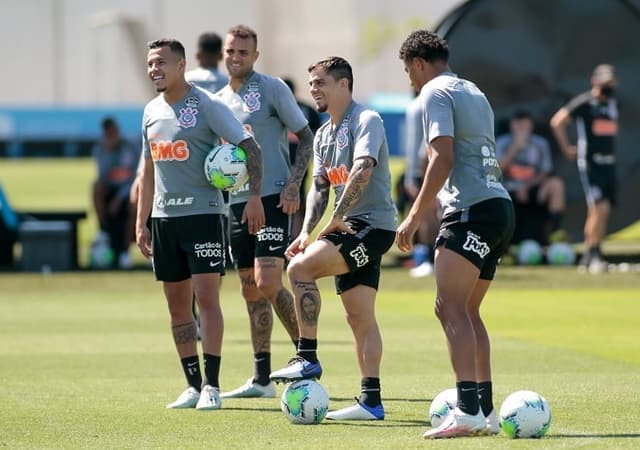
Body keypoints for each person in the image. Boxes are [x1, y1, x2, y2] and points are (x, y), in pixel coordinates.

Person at [396, 30, 515, 438]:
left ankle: (465, 411)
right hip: (499, 206)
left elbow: (442, 157)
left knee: (449, 307)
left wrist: (414, 215)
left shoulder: (432, 92)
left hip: (470, 209)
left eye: (408, 71)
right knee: (467, 311)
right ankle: (484, 411)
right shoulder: (474, 91)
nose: (410, 80)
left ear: (417, 63)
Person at [136, 38, 264, 411]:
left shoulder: (207, 105)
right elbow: (147, 169)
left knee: (206, 299)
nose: (154, 69)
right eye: (149, 64)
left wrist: (252, 194)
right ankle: (191, 385)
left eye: (160, 62)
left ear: (181, 65)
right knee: (178, 307)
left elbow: (248, 146)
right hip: (164, 220)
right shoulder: (150, 111)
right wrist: (141, 221)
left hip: (204, 216)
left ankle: (212, 385)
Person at [270, 56, 398, 422]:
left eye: (320, 83)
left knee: (299, 270)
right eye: (311, 84)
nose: (313, 90)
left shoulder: (366, 119)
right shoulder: (324, 133)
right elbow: (319, 188)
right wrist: (306, 232)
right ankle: (371, 403)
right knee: (359, 317)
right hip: (349, 226)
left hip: (372, 226)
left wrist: (338, 218)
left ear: (344, 84)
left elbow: (362, 168)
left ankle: (307, 356)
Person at [216, 25, 313, 399]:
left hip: (272, 198)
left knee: (270, 282)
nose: (236, 57)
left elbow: (306, 137)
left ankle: (306, 359)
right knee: (251, 291)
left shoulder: (272, 89)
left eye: (243, 52)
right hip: (235, 204)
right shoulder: (217, 100)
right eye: (230, 51)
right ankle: (261, 379)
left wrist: (292, 184)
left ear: (256, 55)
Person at [550, 64, 618, 273]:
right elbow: (558, 121)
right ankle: (594, 253)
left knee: (601, 210)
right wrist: (567, 148)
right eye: (605, 82)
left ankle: (591, 254)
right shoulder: (585, 102)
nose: (609, 86)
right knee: (600, 207)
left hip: (609, 162)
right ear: (595, 82)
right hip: (591, 162)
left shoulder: (613, 103)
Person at [496, 110, 565, 244]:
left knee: (556, 185)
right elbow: (496, 171)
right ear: (512, 125)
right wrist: (515, 147)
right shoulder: (501, 142)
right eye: (518, 125)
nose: (522, 128)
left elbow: (545, 172)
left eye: (525, 125)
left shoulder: (540, 143)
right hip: (507, 189)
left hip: (532, 187)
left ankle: (555, 234)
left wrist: (526, 187)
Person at [399, 89, 439, 277]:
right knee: (428, 216)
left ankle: (430, 260)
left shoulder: (417, 106)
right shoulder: (423, 106)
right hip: (426, 168)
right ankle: (428, 258)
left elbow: (420, 147)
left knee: (428, 216)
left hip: (424, 169)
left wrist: (411, 177)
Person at [91, 117, 139, 269]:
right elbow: (103, 177)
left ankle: (125, 251)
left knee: (134, 204)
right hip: (111, 191)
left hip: (128, 190)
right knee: (96, 187)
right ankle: (104, 231)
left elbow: (136, 176)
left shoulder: (130, 147)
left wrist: (119, 197)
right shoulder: (100, 150)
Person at [282, 76, 323, 241]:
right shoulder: (276, 109)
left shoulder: (305, 110)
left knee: (297, 201)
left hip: (296, 162)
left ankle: (294, 237)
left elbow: (316, 135)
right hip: (297, 162)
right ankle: (290, 236)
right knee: (293, 201)